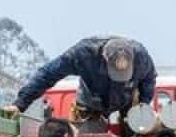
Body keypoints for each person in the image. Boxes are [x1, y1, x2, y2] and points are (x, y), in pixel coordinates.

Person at [13, 37, 156, 121]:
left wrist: (142, 106)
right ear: (104, 59)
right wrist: (20, 104)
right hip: (91, 105)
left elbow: (149, 80)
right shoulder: (83, 55)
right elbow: (48, 74)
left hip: (127, 102)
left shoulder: (141, 57)